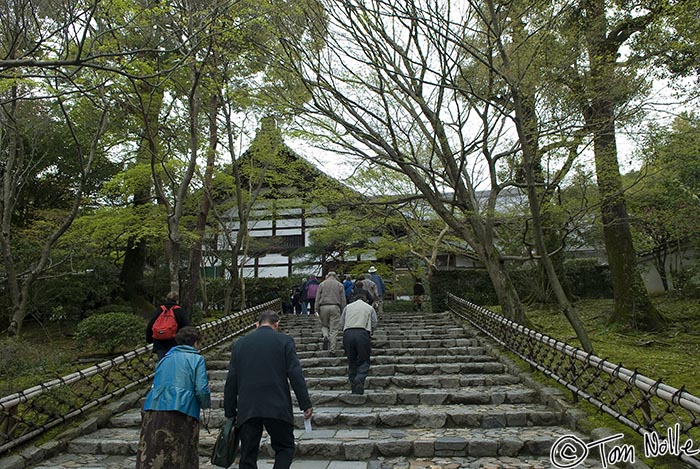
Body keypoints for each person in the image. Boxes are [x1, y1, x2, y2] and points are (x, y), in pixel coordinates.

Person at [224, 310, 313, 469]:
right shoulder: (285, 341)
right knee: (285, 447)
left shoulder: (240, 344)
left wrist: (230, 411)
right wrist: (305, 404)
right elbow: (295, 374)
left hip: (248, 407)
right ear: (276, 324)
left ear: (257, 325)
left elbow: (231, 380)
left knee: (247, 454)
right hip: (277, 405)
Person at [136, 326, 211, 469]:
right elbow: (201, 389)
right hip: (182, 409)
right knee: (181, 451)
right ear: (196, 342)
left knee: (153, 451)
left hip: (155, 407)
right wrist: (205, 404)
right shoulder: (196, 359)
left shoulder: (165, 358)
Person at [340, 291, 378, 395]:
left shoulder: (348, 307)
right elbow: (375, 322)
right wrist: (371, 330)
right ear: (365, 299)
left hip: (348, 333)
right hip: (362, 333)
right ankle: (360, 378)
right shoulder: (369, 307)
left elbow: (341, 322)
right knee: (363, 360)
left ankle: (354, 385)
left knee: (351, 360)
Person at [145, 291, 190, 361]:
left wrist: (150, 339)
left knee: (162, 361)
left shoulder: (160, 309)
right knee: (174, 362)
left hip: (159, 342)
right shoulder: (179, 311)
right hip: (174, 342)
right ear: (177, 299)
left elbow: (150, 325)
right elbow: (186, 326)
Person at [315, 271, 347, 352]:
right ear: (335, 276)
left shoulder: (322, 284)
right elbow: (343, 299)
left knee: (324, 325)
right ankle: (332, 349)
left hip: (323, 306)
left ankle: (325, 336)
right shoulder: (339, 284)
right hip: (335, 306)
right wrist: (344, 310)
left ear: (327, 276)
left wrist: (316, 309)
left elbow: (317, 297)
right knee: (334, 329)